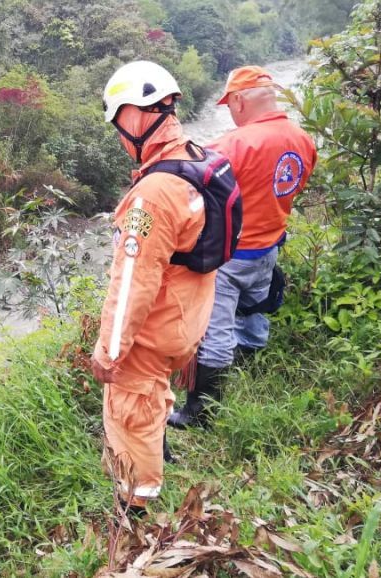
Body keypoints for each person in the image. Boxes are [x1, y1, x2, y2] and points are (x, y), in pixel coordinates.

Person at [90, 61, 220, 510]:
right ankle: (158, 454)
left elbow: (133, 282)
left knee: (130, 413)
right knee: (152, 394)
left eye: (118, 124)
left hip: (154, 330)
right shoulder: (196, 160)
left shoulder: (154, 194)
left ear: (135, 116)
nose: (119, 137)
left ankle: (136, 508)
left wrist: (109, 351)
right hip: (188, 317)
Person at [167, 65, 317, 429]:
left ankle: (199, 412)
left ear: (238, 101)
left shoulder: (231, 146)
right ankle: (250, 364)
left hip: (230, 255)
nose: (230, 112)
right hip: (269, 246)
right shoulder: (303, 140)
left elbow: (185, 187)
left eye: (229, 105)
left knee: (215, 331)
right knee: (253, 308)